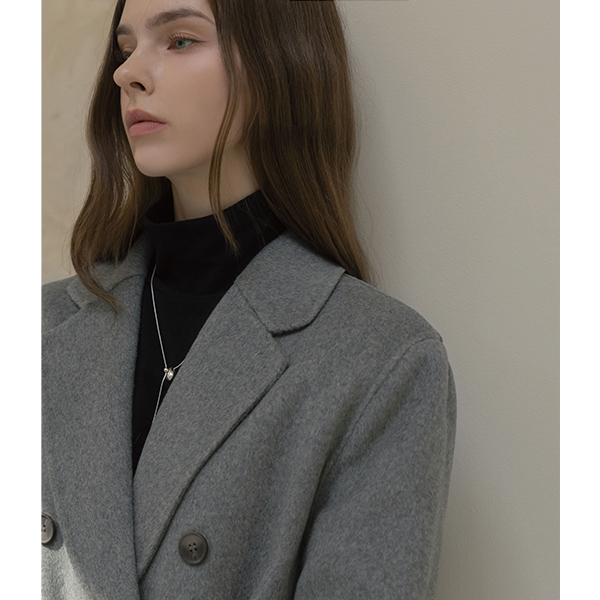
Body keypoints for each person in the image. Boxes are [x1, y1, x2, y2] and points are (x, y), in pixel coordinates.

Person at [41, 0, 457, 598]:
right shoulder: (38, 328)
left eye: (179, 40)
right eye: (125, 48)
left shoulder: (383, 362)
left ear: (276, 64)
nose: (125, 73)